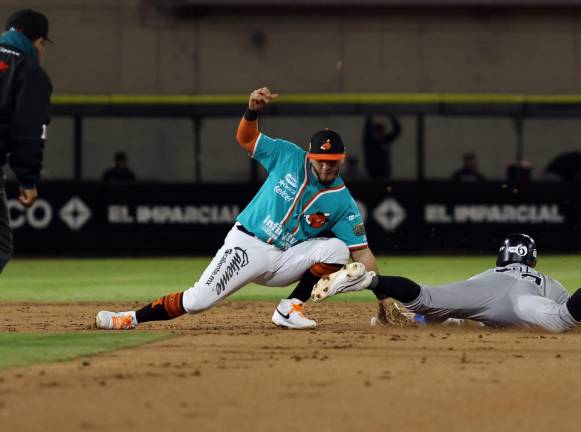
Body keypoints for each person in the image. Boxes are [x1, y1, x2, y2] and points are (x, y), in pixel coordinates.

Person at [95, 87, 401, 330]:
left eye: (331, 161)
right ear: (309, 156)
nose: (324, 166)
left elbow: (362, 253)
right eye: (319, 160)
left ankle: (289, 309)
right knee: (199, 300)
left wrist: (384, 298)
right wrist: (252, 110)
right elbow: (246, 138)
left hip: (285, 260)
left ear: (342, 159)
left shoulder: (342, 200)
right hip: (248, 244)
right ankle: (129, 318)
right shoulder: (287, 155)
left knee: (337, 249)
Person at [312, 234, 581, 332]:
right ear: (531, 259)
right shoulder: (546, 280)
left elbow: (434, 313)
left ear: (502, 258)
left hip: (483, 295)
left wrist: (412, 318)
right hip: (523, 302)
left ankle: (371, 279)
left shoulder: (486, 276)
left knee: (426, 297)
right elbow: (578, 316)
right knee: (562, 321)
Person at [0, 9, 53, 274]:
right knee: (0, 246)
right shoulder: (29, 71)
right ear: (38, 41)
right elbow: (28, 131)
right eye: (43, 45)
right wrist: (28, 180)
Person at [363, 114, 400, 179]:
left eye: (381, 133)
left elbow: (397, 130)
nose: (379, 135)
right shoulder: (369, 142)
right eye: (376, 133)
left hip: (385, 173)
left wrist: (391, 115)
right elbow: (367, 129)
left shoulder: (386, 140)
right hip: (372, 174)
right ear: (373, 133)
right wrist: (369, 114)